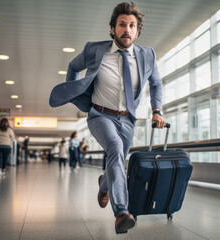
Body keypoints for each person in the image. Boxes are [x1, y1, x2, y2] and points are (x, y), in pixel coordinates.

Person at [49, 2, 166, 234]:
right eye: (122, 24)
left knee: (117, 159)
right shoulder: (95, 50)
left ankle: (104, 184)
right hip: (100, 115)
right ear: (113, 29)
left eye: (132, 25)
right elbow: (73, 66)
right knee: (114, 148)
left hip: (128, 120)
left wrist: (157, 110)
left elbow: (156, 84)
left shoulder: (147, 55)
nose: (127, 29)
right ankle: (122, 212)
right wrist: (74, 90)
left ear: (138, 31)